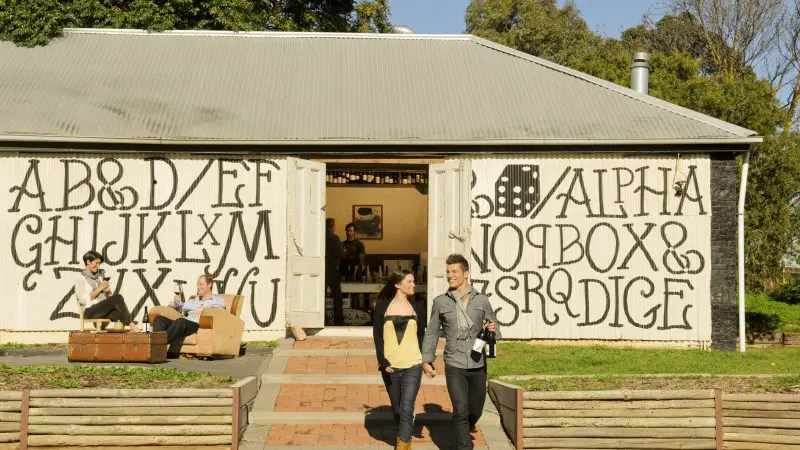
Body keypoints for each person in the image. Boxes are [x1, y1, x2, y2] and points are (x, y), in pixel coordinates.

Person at [421, 254, 499, 450]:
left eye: (454, 272)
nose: (450, 275)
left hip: (477, 362)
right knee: (460, 409)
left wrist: (492, 329)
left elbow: (496, 330)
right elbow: (431, 332)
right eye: (448, 272)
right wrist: (427, 359)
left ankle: (469, 423)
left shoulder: (482, 301)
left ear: (466, 273)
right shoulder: (440, 302)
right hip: (454, 362)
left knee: (475, 410)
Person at [372, 269, 426, 450]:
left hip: (413, 364)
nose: (413, 285)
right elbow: (378, 337)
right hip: (391, 367)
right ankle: (404, 437)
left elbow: (421, 337)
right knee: (397, 409)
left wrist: (426, 361)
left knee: (407, 406)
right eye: (409, 282)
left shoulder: (418, 307)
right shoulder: (382, 306)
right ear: (397, 285)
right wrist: (383, 361)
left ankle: (403, 444)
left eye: (413, 282)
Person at [154, 274, 226, 358]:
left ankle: (155, 347)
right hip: (183, 324)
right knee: (159, 319)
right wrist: (176, 303)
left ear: (209, 285)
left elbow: (222, 305)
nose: (198, 287)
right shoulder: (192, 301)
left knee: (181, 321)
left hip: (195, 325)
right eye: (197, 285)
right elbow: (179, 307)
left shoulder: (217, 299)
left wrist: (204, 306)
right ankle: (155, 346)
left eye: (201, 284)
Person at [74, 250, 136, 330]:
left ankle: (113, 336)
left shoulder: (99, 277)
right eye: (96, 263)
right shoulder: (80, 278)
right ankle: (132, 325)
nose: (98, 266)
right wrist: (100, 288)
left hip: (102, 310)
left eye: (99, 263)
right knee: (118, 297)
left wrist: (109, 293)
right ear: (88, 261)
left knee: (120, 314)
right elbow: (83, 300)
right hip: (89, 311)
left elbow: (107, 297)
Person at [325, 218, 344, 325]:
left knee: (321, 297)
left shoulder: (320, 238)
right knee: (337, 297)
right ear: (332, 227)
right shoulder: (335, 238)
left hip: (322, 270)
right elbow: (341, 253)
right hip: (333, 270)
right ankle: (338, 321)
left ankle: (324, 319)